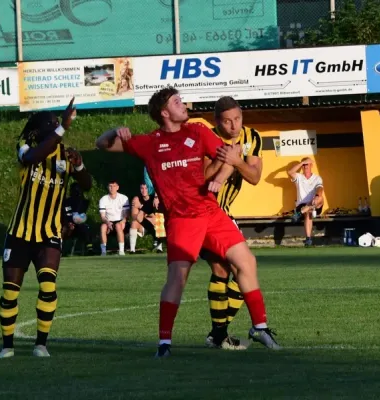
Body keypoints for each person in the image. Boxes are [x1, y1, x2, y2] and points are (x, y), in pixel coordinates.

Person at [95, 86, 281, 358]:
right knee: (178, 278)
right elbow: (102, 143)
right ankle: (165, 344)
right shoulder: (149, 142)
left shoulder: (198, 131)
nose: (184, 105)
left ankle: (259, 327)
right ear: (164, 112)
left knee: (246, 261)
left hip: (211, 211)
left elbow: (228, 156)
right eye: (177, 101)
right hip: (182, 219)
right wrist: (116, 130)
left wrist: (221, 176)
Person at [0, 99, 92, 359]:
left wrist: (80, 165)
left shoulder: (65, 156)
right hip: (19, 233)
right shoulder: (26, 147)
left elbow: (86, 185)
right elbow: (31, 158)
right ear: (39, 130)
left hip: (49, 232)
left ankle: (41, 345)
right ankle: (7, 347)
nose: (57, 124)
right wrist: (62, 129)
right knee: (10, 291)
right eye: (52, 123)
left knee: (48, 286)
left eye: (58, 122)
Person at [200, 96, 263, 351]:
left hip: (224, 213)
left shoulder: (252, 138)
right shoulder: (206, 139)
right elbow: (203, 177)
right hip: (203, 213)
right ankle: (218, 334)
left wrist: (237, 161)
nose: (234, 125)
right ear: (217, 122)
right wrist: (224, 161)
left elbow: (255, 177)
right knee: (224, 269)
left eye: (237, 119)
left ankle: (218, 334)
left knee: (237, 271)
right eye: (227, 121)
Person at [287, 157, 324, 246]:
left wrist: (316, 196)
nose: (305, 166)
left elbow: (320, 188)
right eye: (303, 164)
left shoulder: (317, 178)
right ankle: (308, 239)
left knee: (320, 198)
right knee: (308, 213)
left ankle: (300, 213)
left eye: (307, 164)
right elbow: (290, 172)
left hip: (314, 203)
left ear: (311, 165)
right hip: (302, 205)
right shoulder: (299, 177)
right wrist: (302, 162)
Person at [129, 183, 164, 253]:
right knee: (134, 223)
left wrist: (141, 207)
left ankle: (159, 248)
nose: (144, 190)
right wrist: (146, 216)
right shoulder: (137, 199)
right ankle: (132, 250)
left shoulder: (154, 199)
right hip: (143, 223)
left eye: (146, 188)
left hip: (153, 222)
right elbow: (134, 216)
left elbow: (155, 215)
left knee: (159, 220)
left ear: (149, 189)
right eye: (142, 188)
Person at [98, 181, 130, 256]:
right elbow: (102, 216)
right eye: (110, 186)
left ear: (117, 187)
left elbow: (127, 214)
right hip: (109, 222)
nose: (112, 188)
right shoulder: (103, 199)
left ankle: (121, 251)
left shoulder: (123, 198)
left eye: (114, 186)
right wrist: (108, 222)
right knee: (103, 227)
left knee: (118, 225)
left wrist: (124, 221)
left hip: (121, 222)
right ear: (108, 187)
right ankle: (103, 252)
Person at [62, 182, 93, 255]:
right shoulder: (66, 202)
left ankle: (89, 249)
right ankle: (61, 250)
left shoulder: (84, 202)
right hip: (67, 224)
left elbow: (82, 214)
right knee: (63, 230)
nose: (76, 191)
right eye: (74, 189)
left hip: (79, 224)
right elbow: (65, 214)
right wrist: (68, 223)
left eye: (78, 189)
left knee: (85, 229)